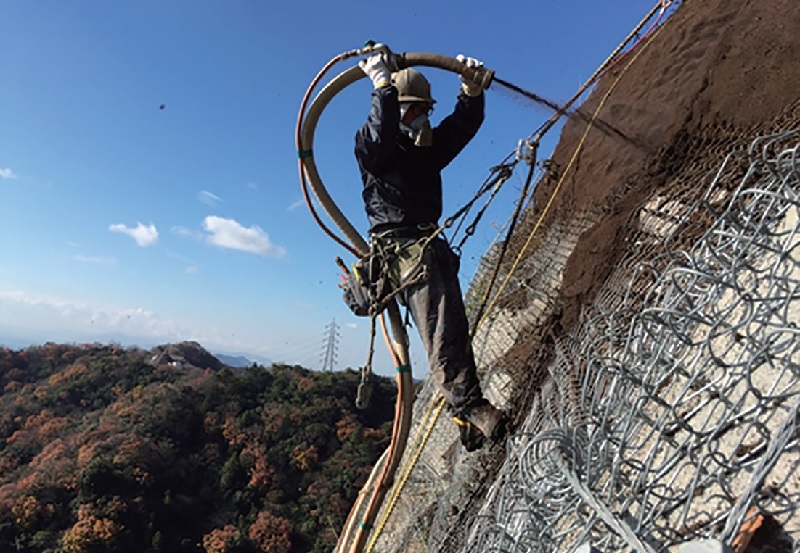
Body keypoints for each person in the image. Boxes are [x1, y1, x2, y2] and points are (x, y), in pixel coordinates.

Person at [354, 52, 508, 451]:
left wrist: (470, 91)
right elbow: (381, 132)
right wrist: (383, 87)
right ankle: (470, 406)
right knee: (441, 326)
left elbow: (461, 128)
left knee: (452, 324)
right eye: (417, 111)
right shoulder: (375, 149)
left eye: (427, 110)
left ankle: (465, 419)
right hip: (404, 252)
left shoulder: (424, 151)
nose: (424, 119)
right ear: (398, 110)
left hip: (428, 246)